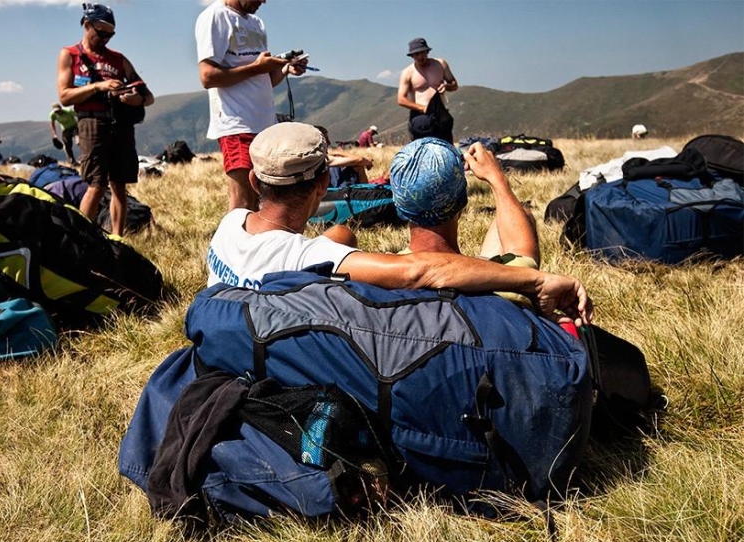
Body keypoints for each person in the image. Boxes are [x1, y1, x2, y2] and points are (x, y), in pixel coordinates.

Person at [206, 122, 593, 326]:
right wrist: (497, 181)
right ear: (324, 183)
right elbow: (420, 271)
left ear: (254, 182)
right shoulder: (313, 259)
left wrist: (340, 237)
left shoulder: (230, 226)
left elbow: (323, 247)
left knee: (340, 232)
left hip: (244, 356)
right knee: (516, 242)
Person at [390, 136, 540, 306]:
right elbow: (522, 251)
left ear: (400, 209)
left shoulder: (379, 276)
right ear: (462, 202)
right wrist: (497, 179)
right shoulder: (512, 282)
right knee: (524, 214)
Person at [195, 0, 308, 212]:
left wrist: (285, 69)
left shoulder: (257, 23)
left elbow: (264, 79)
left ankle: (252, 244)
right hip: (236, 122)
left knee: (261, 201)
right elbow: (207, 77)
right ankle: (228, 245)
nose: (264, 1)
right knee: (243, 203)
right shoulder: (215, 16)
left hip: (264, 124)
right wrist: (257, 67)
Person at [56, 3, 154, 237]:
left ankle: (116, 238)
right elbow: (64, 96)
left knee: (119, 185)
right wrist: (99, 86)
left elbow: (148, 96)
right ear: (87, 25)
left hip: (119, 125)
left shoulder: (119, 60)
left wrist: (135, 100)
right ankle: (81, 238)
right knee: (96, 184)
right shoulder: (70, 54)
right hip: (91, 123)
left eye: (111, 34)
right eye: (101, 33)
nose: (106, 38)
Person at [397, 38, 458, 144]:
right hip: (420, 114)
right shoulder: (408, 72)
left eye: (422, 53)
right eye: (416, 54)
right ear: (412, 56)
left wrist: (447, 86)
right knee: (422, 147)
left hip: (440, 112)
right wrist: (422, 108)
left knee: (446, 146)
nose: (420, 57)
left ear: (427, 51)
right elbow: (401, 99)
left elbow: (454, 85)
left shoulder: (440, 64)